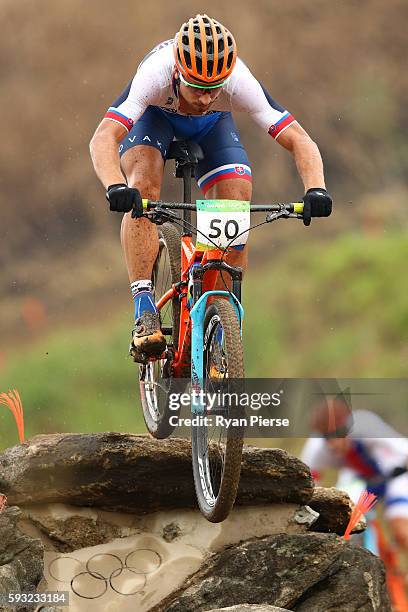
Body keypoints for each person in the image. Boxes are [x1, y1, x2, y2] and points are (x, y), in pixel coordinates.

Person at [90, 14, 332, 363]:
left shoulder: (237, 80)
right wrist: (115, 186)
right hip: (155, 118)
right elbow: (102, 138)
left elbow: (299, 139)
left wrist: (316, 189)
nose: (204, 98)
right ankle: (144, 305)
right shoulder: (155, 74)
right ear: (178, 73)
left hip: (212, 128)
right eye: (197, 88)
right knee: (143, 185)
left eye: (213, 89)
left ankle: (216, 323)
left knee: (236, 195)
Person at [301, 398, 408, 553]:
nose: (334, 443)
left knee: (401, 530)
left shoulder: (365, 424)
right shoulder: (316, 447)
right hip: (358, 479)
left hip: (393, 475)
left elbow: (402, 448)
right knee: (347, 520)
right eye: (327, 437)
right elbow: (308, 484)